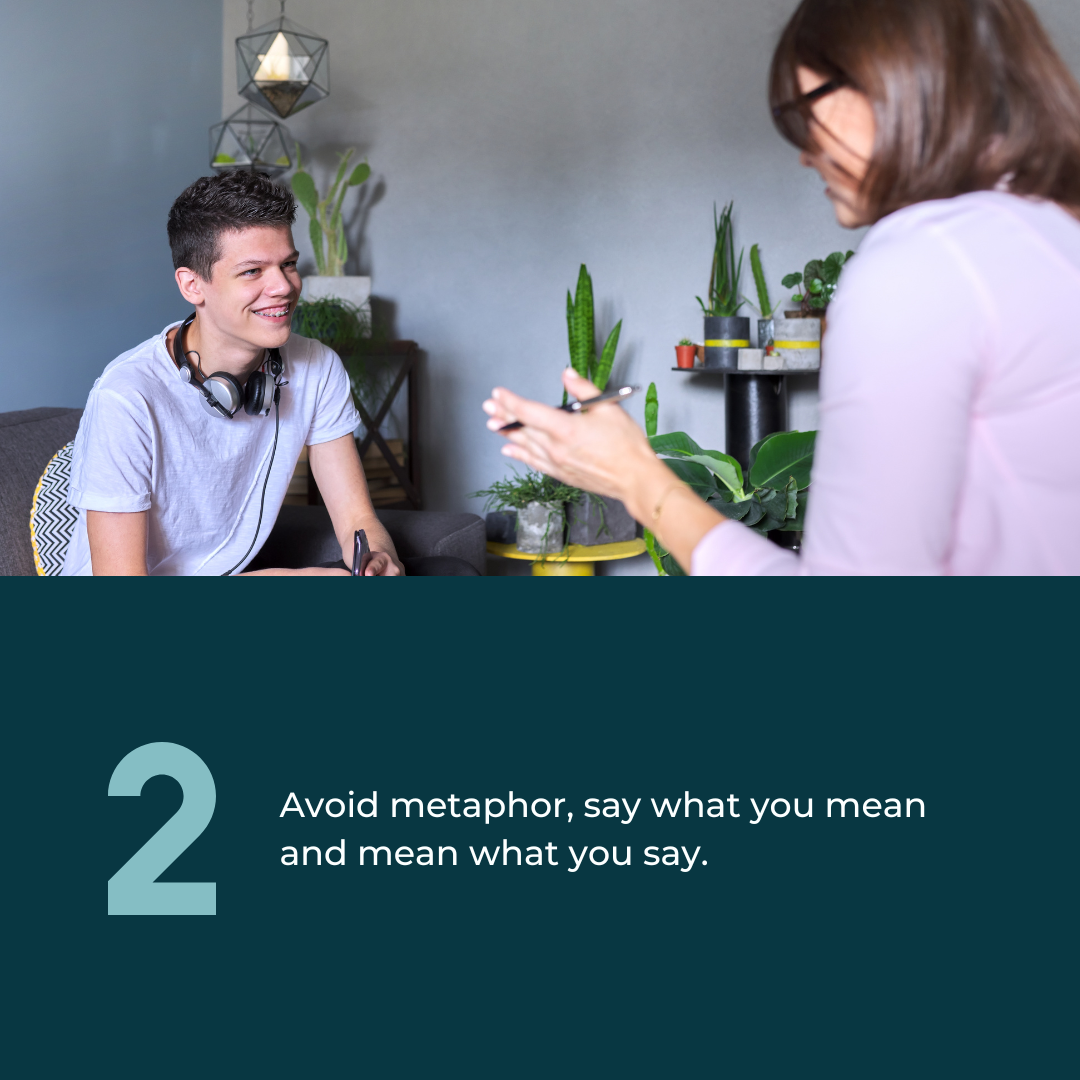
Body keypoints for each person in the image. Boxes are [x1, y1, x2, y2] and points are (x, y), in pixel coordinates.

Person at [483, 0, 1080, 575]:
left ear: (893, 79)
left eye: (806, 107)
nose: (804, 154)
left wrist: (638, 477)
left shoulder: (923, 264)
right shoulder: (1050, 231)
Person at [62, 170, 403, 576]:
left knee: (450, 568)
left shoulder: (318, 367)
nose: (284, 287)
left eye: (289, 264)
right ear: (192, 286)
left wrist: (379, 559)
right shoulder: (127, 398)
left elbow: (356, 521)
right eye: (253, 271)